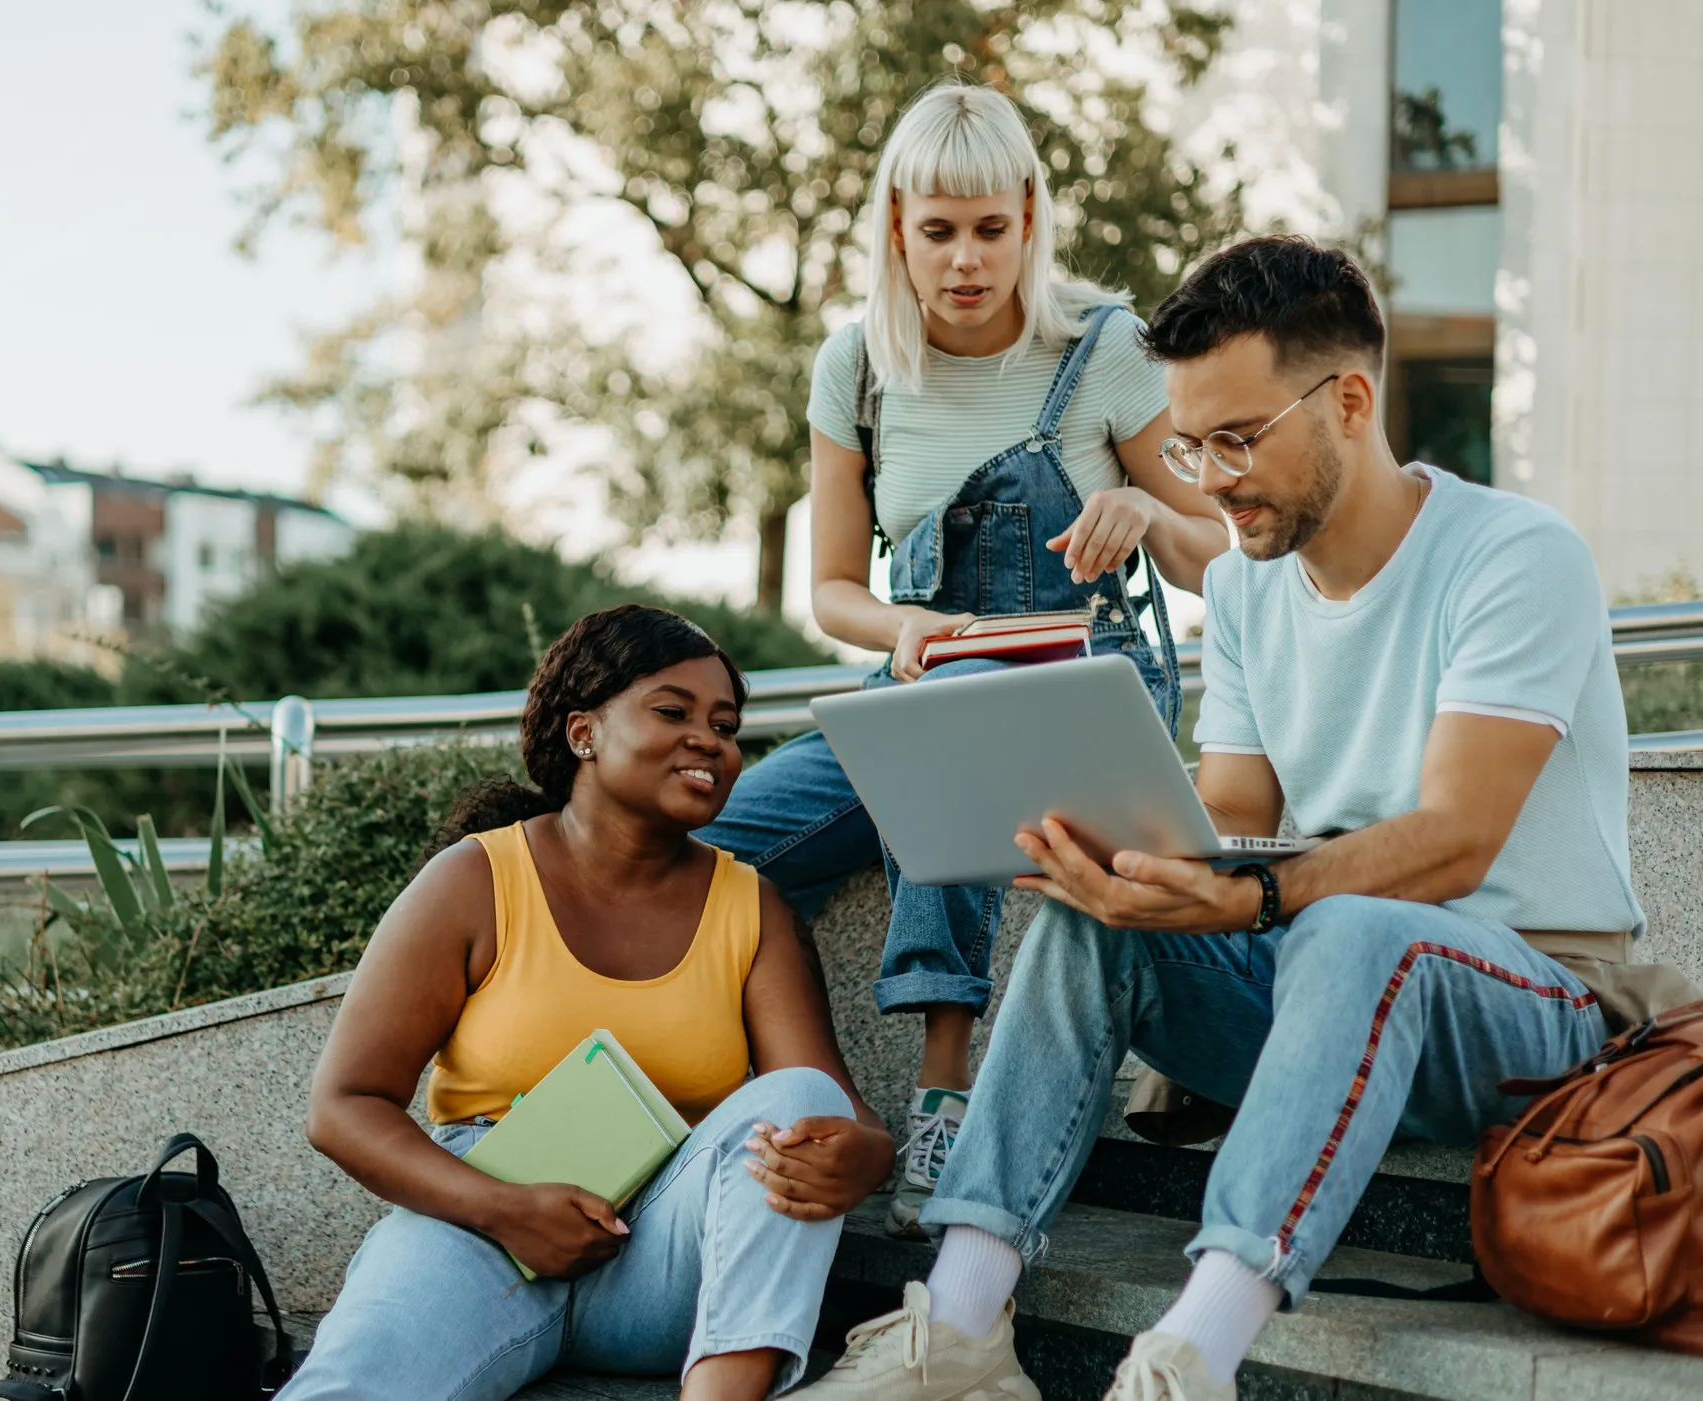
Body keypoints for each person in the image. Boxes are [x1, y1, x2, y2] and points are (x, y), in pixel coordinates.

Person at [797, 235, 1699, 1401]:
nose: (1208, 479)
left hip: (1534, 1007)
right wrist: (1120, 855)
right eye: (1188, 445)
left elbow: (1456, 837)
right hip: (1317, 974)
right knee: (1095, 920)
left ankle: (1192, 1356)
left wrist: (1257, 896)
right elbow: (1229, 810)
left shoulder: (1514, 556)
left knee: (1353, 926)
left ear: (1349, 402)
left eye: (1236, 438)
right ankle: (960, 1328)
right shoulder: (1241, 585)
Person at [698, 76, 1229, 1240]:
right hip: (924, 679)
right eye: (938, 230)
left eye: (992, 227)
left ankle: (943, 1090)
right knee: (709, 852)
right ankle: (804, 1097)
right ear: (896, 226)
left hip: (1086, 685)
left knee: (954, 715)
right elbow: (833, 590)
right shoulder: (855, 366)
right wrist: (906, 630)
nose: (967, 259)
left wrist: (1149, 513)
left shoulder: (1102, 347)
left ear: (1030, 217)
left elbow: (1220, 557)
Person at [284, 604, 896, 1401]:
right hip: (476, 1232)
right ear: (584, 732)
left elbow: (831, 1106)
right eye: (673, 712)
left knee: (794, 1101)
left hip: (661, 1256)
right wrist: (504, 1208)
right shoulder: (475, 880)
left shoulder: (754, 908)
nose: (709, 741)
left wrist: (865, 1157)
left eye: (725, 725)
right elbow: (343, 1106)